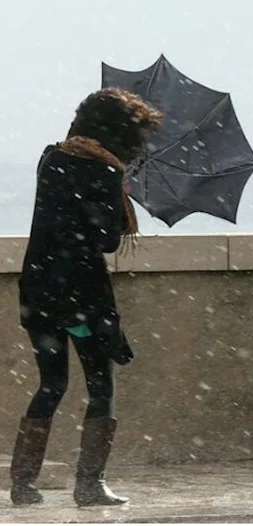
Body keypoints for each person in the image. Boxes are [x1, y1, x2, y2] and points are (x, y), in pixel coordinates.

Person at [10, 88, 162, 506]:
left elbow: (58, 223)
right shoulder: (106, 174)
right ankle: (89, 484)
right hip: (80, 299)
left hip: (39, 290)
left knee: (52, 383)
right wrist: (118, 195)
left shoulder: (50, 159)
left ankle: (23, 485)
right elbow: (106, 241)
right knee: (100, 385)